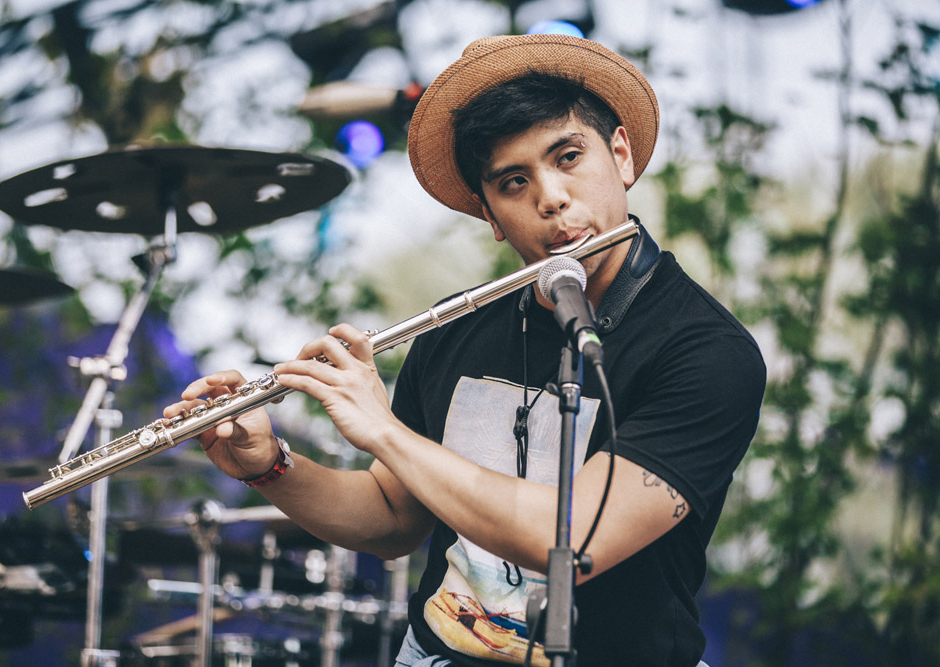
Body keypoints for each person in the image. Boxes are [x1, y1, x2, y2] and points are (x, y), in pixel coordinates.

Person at [166, 34, 766, 667]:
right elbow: (393, 517)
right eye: (514, 182)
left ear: (619, 154)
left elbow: (573, 539)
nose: (551, 197)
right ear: (489, 212)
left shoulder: (706, 352)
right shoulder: (457, 326)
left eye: (568, 157)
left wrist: (381, 428)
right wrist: (270, 465)